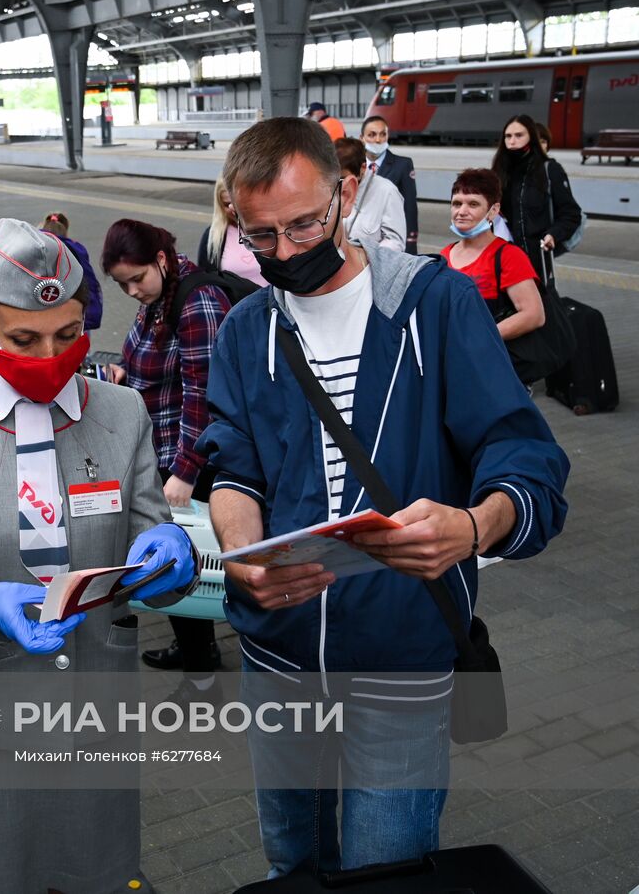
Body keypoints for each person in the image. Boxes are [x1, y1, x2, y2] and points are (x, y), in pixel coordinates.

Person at [197, 117, 568, 878]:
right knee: (291, 857)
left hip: (400, 663)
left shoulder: (434, 305)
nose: (289, 251)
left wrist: (472, 524)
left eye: (305, 223)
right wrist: (239, 553)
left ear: (347, 191)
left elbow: (523, 451)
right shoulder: (244, 329)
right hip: (279, 656)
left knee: (385, 865)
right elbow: (231, 463)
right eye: (262, 236)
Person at [0, 217, 199, 893]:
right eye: (24, 338)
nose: (49, 355)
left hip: (96, 711)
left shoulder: (120, 412)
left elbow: (154, 554)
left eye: (67, 336)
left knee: (97, 872)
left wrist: (175, 556)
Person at [101, 218, 230, 690]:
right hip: (161, 455)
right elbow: (149, 363)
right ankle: (196, 651)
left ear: (161, 259)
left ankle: (201, 677)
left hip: (188, 463)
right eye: (122, 284)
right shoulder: (161, 299)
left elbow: (205, 394)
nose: (132, 290)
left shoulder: (197, 304)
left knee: (182, 563)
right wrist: (122, 373)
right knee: (172, 561)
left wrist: (186, 471)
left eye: (137, 278)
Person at [441, 168, 546, 348]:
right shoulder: (443, 256)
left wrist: (478, 338)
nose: (462, 212)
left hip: (489, 359)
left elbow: (533, 315)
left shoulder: (509, 256)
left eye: (473, 204)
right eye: (457, 203)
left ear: (493, 210)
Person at [491, 113, 582, 283]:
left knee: (537, 305)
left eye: (519, 135)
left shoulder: (549, 169)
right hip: (505, 255)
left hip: (537, 258)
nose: (512, 141)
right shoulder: (499, 171)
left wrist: (553, 235)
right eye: (508, 136)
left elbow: (571, 213)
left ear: (531, 137)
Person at [336, 137, 407, 252]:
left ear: (363, 168)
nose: (340, 184)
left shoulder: (387, 191)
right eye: (335, 178)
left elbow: (396, 243)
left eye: (343, 178)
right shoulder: (329, 187)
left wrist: (364, 255)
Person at [361, 115, 419, 253]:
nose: (378, 140)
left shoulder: (403, 165)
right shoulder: (355, 165)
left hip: (389, 239)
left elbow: (409, 205)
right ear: (361, 138)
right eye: (372, 135)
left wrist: (410, 241)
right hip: (360, 239)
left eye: (383, 134)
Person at [196, 177, 268, 287]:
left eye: (237, 202)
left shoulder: (268, 228)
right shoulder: (212, 236)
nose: (233, 208)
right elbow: (205, 280)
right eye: (226, 204)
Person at [38, 211, 103, 333]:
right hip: (75, 313)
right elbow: (89, 282)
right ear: (65, 231)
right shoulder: (77, 250)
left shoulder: (33, 246)